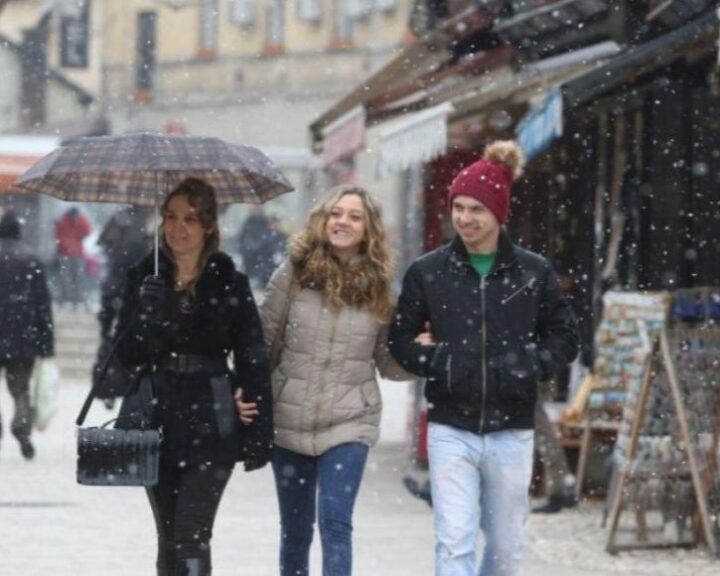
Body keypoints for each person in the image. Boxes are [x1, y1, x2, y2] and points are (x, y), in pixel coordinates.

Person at [389, 141, 579, 576]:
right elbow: (399, 339)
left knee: (506, 547)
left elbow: (566, 338)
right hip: (449, 427)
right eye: (458, 207)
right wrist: (437, 361)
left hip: (512, 429)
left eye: (476, 209)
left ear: (498, 212)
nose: (465, 218)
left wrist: (528, 364)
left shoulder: (533, 272)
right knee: (453, 541)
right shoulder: (428, 272)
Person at [112, 178, 273, 576]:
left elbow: (252, 354)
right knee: (169, 537)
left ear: (209, 225)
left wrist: (258, 426)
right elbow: (126, 354)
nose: (177, 228)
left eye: (189, 218)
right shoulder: (144, 276)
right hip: (158, 415)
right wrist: (145, 313)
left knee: (192, 533)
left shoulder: (229, 281)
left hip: (212, 417)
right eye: (170, 217)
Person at [255, 186, 414, 576]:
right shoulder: (293, 274)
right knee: (296, 532)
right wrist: (246, 391)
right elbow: (261, 343)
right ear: (323, 220)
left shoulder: (379, 286)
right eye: (336, 213)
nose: (343, 222)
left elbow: (388, 363)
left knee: (336, 524)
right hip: (288, 420)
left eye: (354, 216)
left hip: (349, 422)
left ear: (368, 228)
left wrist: (423, 354)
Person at [0, 211, 54, 460]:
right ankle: (21, 426)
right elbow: (43, 304)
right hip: (23, 337)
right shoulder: (31, 259)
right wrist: (46, 343)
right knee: (21, 389)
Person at [93, 206, 150, 407]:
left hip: (122, 290)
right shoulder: (135, 220)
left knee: (115, 343)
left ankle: (112, 384)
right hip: (129, 291)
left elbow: (104, 244)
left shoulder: (123, 219)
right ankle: (116, 384)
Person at [54, 206, 92, 309]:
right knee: (66, 278)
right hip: (66, 253)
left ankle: (77, 299)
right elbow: (58, 236)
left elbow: (88, 231)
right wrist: (67, 244)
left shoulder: (81, 220)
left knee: (77, 277)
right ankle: (66, 299)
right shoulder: (62, 221)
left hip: (77, 253)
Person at [238, 207, 274, 289]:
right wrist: (245, 245)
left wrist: (257, 245)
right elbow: (242, 236)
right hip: (248, 251)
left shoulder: (264, 222)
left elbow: (266, 236)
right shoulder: (248, 221)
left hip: (260, 253)